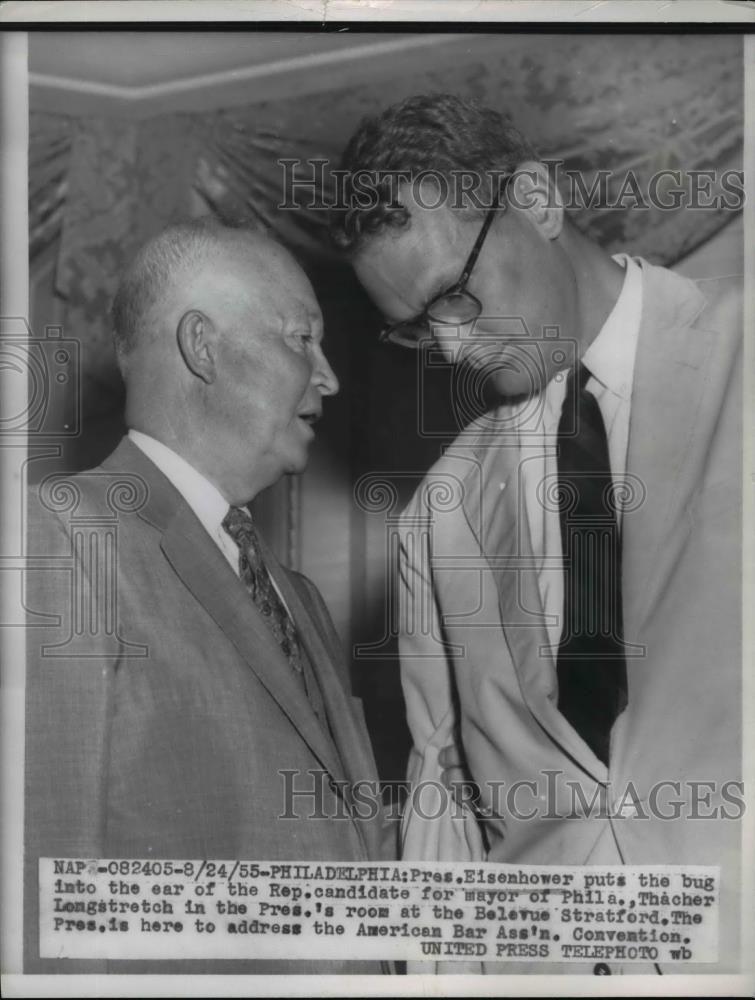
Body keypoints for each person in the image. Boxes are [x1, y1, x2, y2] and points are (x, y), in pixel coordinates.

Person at [331, 94, 742, 975]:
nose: (446, 351)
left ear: (536, 200)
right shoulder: (440, 514)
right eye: (414, 329)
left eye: (454, 297)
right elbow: (440, 795)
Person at [24, 219, 395, 975]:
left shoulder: (299, 599)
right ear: (202, 345)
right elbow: (40, 899)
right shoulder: (60, 536)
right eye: (301, 338)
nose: (328, 376)